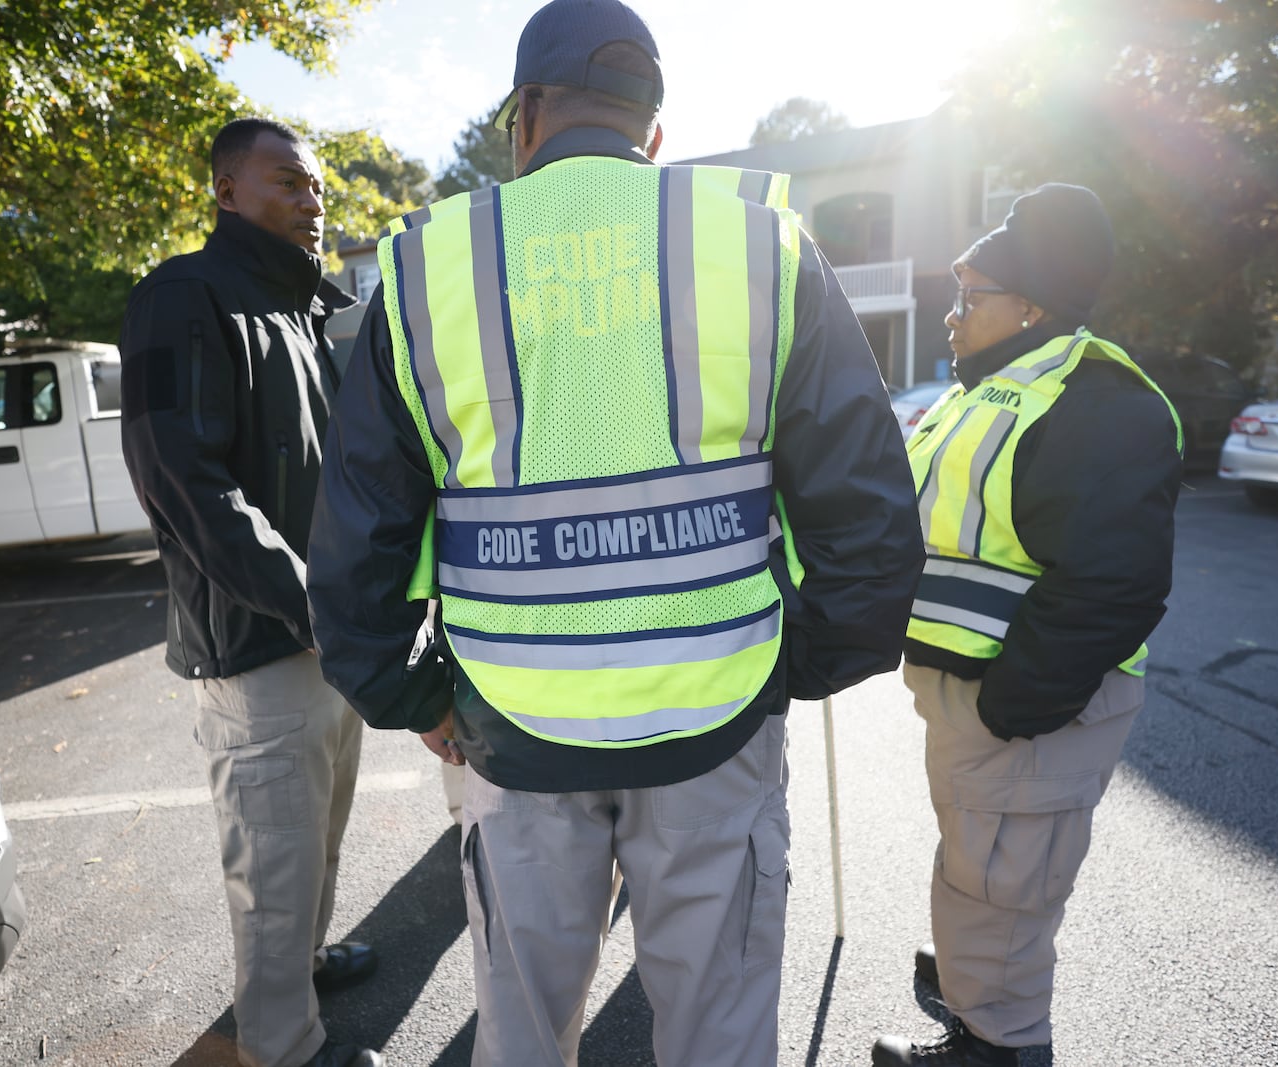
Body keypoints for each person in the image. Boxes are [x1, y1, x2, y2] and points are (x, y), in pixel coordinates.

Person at [306, 2, 924, 1063]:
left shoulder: (422, 270)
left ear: (524, 118)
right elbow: (869, 516)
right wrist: (786, 666)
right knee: (718, 1031)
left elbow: (357, 537)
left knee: (523, 1030)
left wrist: (413, 693)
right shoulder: (758, 242)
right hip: (718, 720)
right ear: (656, 133)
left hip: (510, 719)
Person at [871, 184, 1183, 1067]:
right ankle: (977, 1007)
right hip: (980, 699)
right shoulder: (991, 388)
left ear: (1033, 307)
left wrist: (1014, 705)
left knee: (1003, 884)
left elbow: (1111, 583)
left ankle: (995, 1044)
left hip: (1027, 706)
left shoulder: (1094, 398)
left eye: (972, 297)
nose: (952, 313)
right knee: (984, 873)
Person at [118, 117, 382, 1067]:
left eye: (316, 187)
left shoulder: (311, 310)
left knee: (317, 836)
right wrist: (311, 598)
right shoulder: (182, 297)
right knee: (273, 863)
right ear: (228, 191)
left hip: (329, 627)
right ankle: (285, 1046)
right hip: (259, 642)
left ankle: (300, 965)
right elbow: (181, 478)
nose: (311, 201)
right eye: (287, 183)